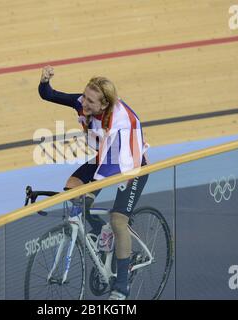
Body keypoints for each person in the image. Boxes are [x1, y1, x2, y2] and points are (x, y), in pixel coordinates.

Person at [38, 65, 149, 300]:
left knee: (118, 220)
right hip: (106, 157)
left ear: (104, 105)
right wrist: (44, 82)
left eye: (90, 101)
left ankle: (121, 284)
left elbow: (108, 169)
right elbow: (50, 95)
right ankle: (100, 231)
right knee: (73, 187)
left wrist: (89, 192)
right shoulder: (84, 102)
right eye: (84, 97)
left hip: (131, 165)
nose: (83, 103)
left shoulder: (117, 122)